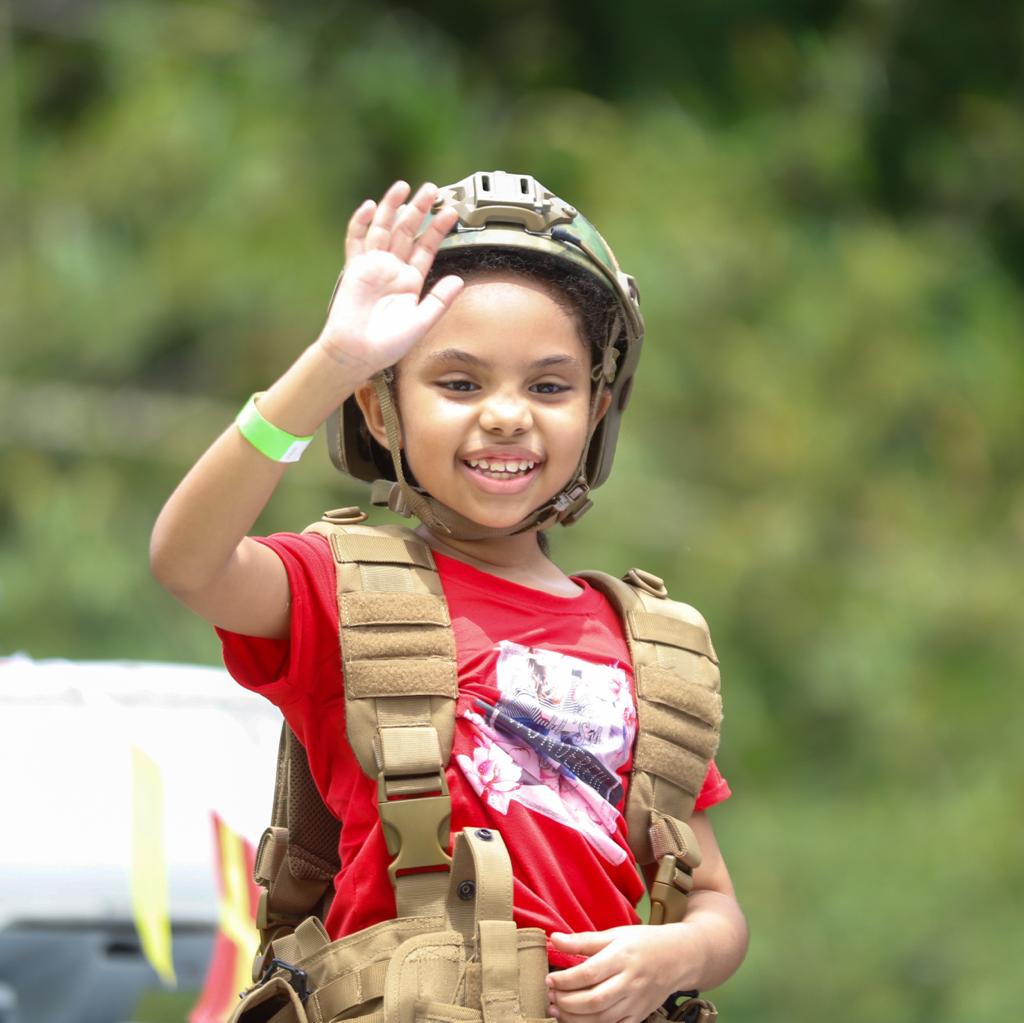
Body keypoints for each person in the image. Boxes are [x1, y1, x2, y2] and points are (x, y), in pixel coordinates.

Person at [150, 171, 749, 1023]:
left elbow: (715, 904)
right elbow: (188, 559)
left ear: (597, 409)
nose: (507, 416)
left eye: (549, 386)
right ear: (381, 412)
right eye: (459, 384)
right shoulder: (340, 591)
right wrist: (331, 362)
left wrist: (679, 952)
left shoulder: (649, 645)